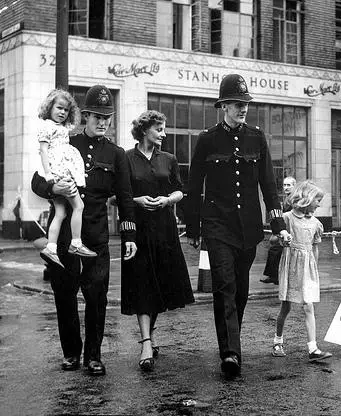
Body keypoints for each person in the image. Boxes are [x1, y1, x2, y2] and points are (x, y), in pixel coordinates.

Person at [185, 74, 292, 378]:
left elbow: (269, 186)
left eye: (245, 103)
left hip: (248, 229)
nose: (242, 108)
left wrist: (278, 223)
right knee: (225, 287)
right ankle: (230, 352)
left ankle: (232, 337)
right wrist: (193, 228)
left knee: (241, 291)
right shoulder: (207, 139)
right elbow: (194, 185)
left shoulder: (256, 137)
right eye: (236, 104)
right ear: (223, 106)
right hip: (217, 225)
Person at [31, 85, 137, 376]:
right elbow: (36, 181)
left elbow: (126, 198)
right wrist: (53, 187)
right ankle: (71, 354)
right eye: (97, 117)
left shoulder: (117, 154)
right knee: (64, 296)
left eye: (107, 117)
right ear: (86, 116)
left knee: (96, 297)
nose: (103, 122)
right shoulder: (65, 141)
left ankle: (93, 356)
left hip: (96, 237)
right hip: (64, 236)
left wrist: (129, 235)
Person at [122, 110, 194, 371]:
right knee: (142, 284)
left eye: (164, 129)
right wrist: (136, 201)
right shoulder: (126, 158)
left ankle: (149, 336)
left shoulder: (170, 159)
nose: (163, 134)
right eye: (159, 129)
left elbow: (179, 190)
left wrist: (167, 200)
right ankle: (145, 343)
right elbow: (118, 195)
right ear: (144, 130)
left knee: (160, 285)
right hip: (138, 230)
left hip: (164, 229)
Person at [271, 180, 332, 362]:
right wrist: (282, 240)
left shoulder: (316, 223)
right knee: (286, 306)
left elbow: (315, 248)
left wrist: (314, 268)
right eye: (318, 200)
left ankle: (313, 348)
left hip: (307, 267)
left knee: (308, 306)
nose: (319, 204)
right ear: (308, 198)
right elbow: (272, 240)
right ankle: (277, 341)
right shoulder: (287, 218)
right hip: (290, 265)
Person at [37, 89, 97, 267]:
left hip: (60, 170)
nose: (62, 112)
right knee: (79, 205)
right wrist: (49, 174)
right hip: (60, 172)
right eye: (59, 108)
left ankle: (51, 247)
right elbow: (43, 150)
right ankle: (76, 243)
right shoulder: (47, 126)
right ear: (49, 108)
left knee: (61, 212)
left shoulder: (59, 127)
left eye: (66, 110)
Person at [261, 176, 296, 285]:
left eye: (288, 185)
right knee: (275, 251)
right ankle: (274, 276)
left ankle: (275, 277)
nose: (286, 187)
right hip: (284, 229)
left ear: (294, 186)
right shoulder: (287, 199)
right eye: (284, 185)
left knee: (276, 251)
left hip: (291, 230)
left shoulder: (295, 199)